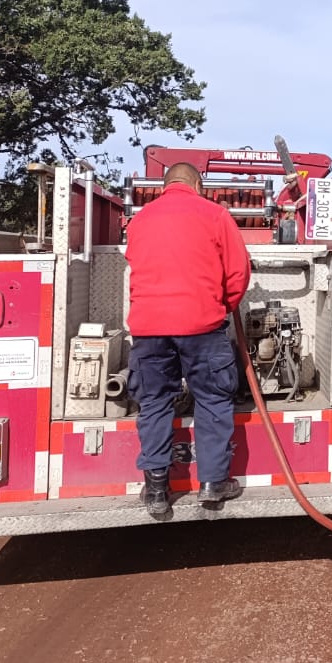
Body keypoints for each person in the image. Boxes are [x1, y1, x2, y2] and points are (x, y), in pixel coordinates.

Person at [125, 162, 251, 517]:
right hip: (201, 325)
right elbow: (238, 270)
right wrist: (224, 305)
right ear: (197, 183)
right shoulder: (214, 214)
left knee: (154, 402)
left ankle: (156, 491)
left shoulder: (141, 219)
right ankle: (212, 484)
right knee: (212, 399)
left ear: (165, 184)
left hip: (149, 329)